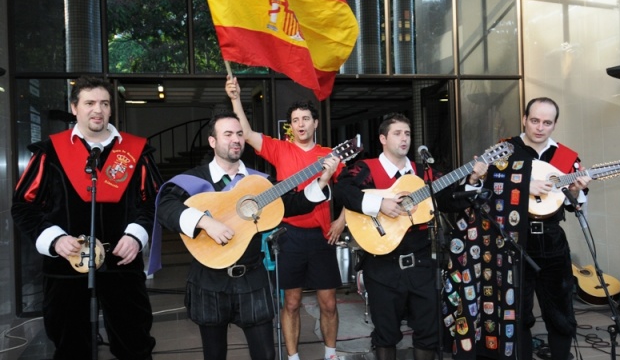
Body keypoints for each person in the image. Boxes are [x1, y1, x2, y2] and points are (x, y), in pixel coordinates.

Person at [155, 111, 339, 360]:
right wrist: (205, 221)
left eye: (240, 134)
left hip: (252, 277)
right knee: (214, 354)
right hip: (208, 280)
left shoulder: (259, 182)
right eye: (228, 134)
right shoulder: (193, 179)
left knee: (265, 354)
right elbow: (166, 206)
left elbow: (292, 203)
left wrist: (322, 181)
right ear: (213, 141)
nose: (236, 139)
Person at [11, 76, 159, 360]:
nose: (98, 110)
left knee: (134, 345)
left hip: (122, 265)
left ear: (111, 110)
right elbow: (23, 206)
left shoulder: (136, 152)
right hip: (67, 267)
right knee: (70, 348)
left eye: (104, 103)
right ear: (74, 107)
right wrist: (53, 239)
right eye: (90, 103)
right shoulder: (49, 153)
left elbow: (154, 202)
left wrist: (137, 234)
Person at [441, 97, 590, 360]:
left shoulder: (567, 157)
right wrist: (522, 187)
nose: (540, 127)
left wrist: (576, 193)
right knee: (515, 311)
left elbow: (576, 206)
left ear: (555, 124)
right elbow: (487, 192)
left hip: (552, 239)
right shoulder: (505, 150)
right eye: (534, 120)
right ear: (524, 119)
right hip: (512, 241)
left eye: (547, 122)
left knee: (560, 310)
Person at [334, 113, 488, 360]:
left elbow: (449, 200)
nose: (404, 138)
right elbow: (342, 191)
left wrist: (472, 179)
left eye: (407, 133)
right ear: (383, 138)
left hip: (421, 263)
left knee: (428, 330)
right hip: (381, 265)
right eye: (397, 133)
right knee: (385, 333)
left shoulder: (422, 173)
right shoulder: (366, 168)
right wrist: (379, 203)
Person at [226, 77, 344, 360]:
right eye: (295, 120)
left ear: (315, 123)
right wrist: (235, 99)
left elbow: (347, 194)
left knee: (328, 302)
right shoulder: (280, 149)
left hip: (322, 236)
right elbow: (246, 132)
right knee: (290, 302)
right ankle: (292, 357)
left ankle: (330, 354)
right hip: (289, 236)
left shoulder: (330, 155)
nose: (300, 124)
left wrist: (342, 220)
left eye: (305, 118)